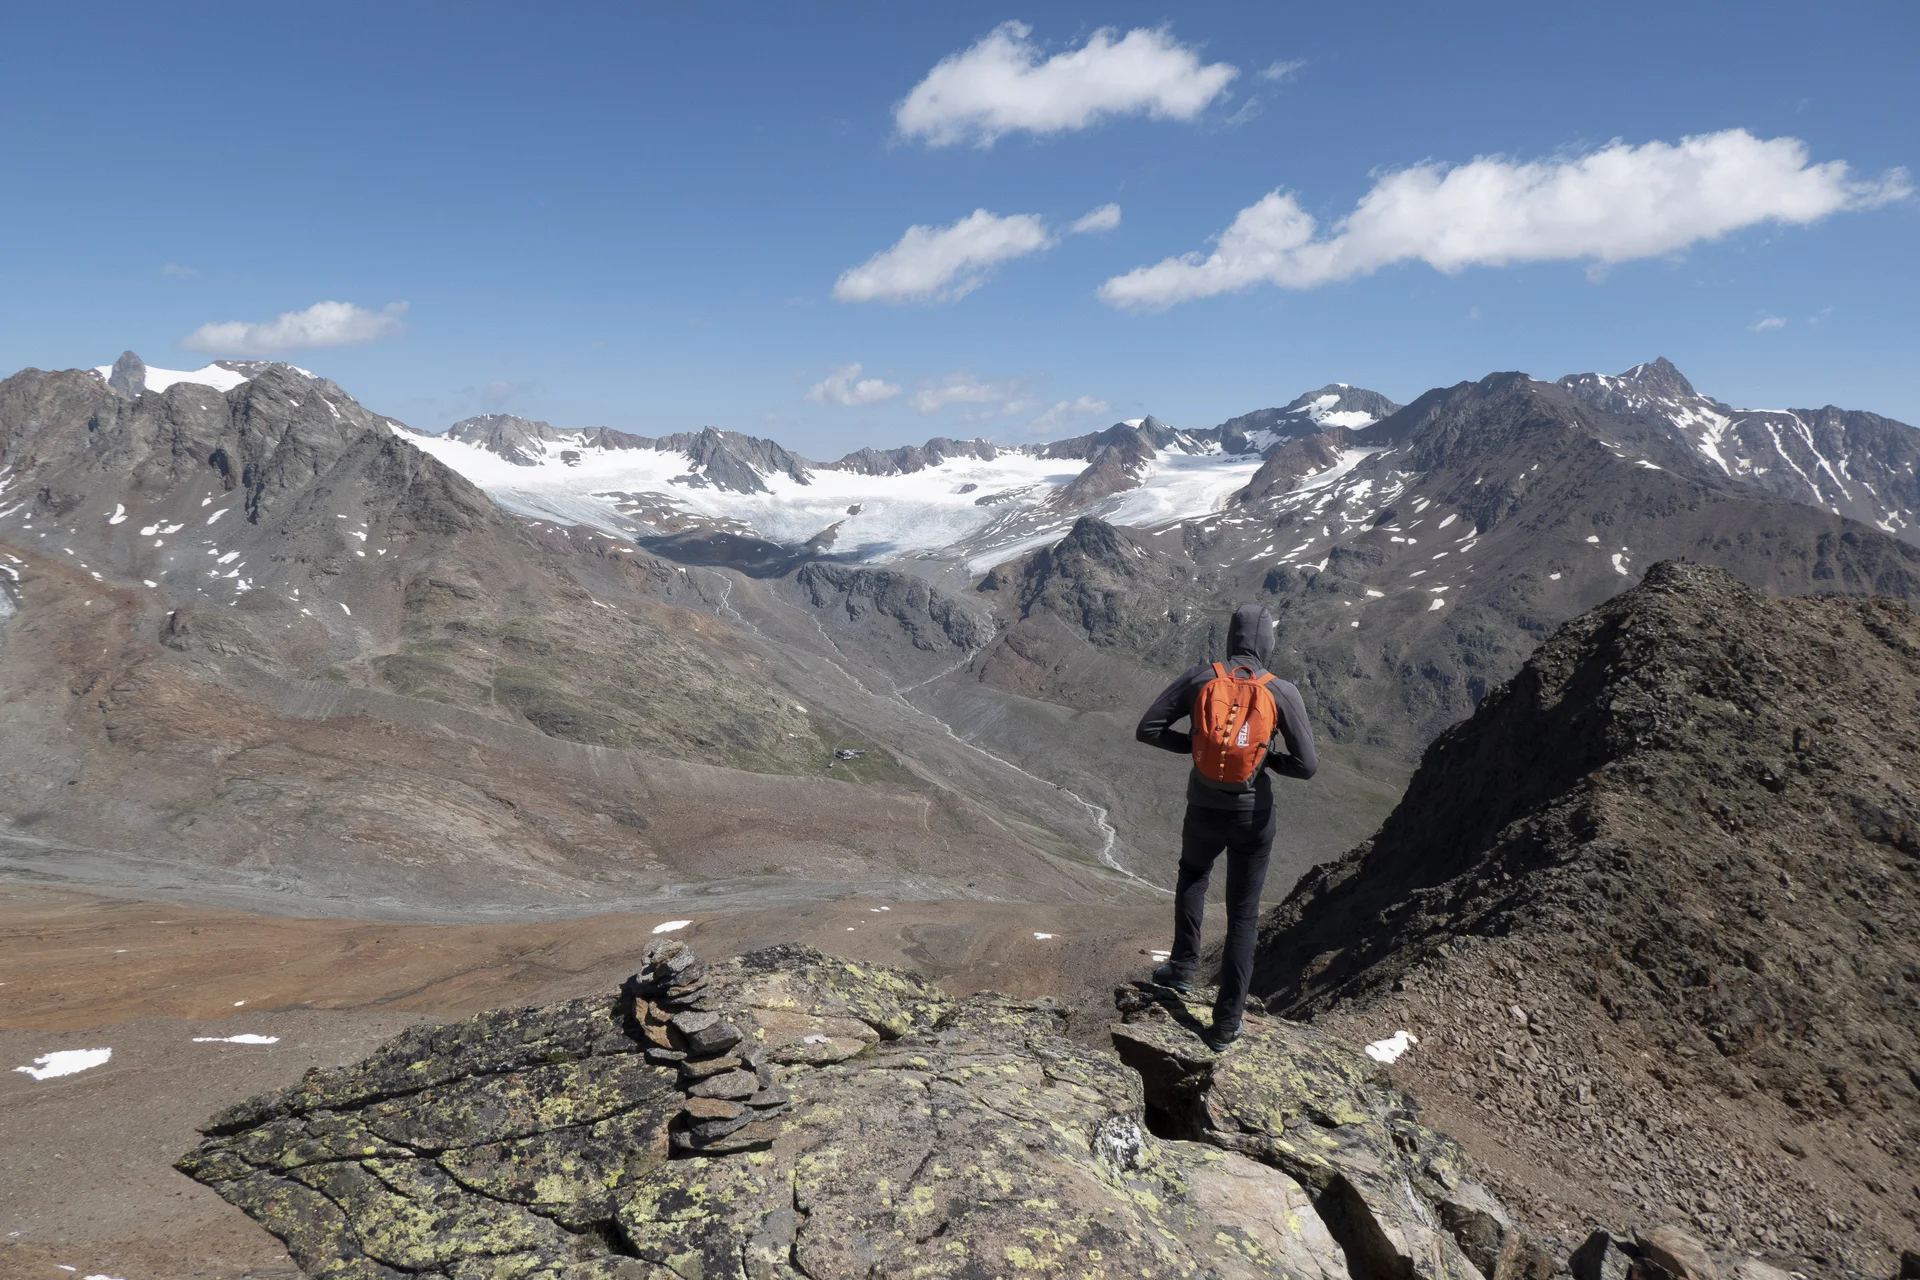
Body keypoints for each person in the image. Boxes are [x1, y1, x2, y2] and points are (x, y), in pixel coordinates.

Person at [1134, 603, 1317, 1048]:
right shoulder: (1281, 691)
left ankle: (1182, 968)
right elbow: (1307, 766)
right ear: (1268, 643)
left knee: (1194, 876)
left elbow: (1149, 729)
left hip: (1202, 806)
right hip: (1252, 817)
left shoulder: (1201, 677)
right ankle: (1226, 1023)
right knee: (1243, 917)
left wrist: (1197, 746)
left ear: (1231, 638)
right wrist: (1264, 760)